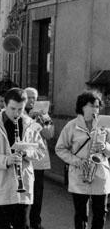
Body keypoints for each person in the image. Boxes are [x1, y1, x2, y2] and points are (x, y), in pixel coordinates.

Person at [0, 88, 46, 229]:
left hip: (23, 186)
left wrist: (27, 153)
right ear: (5, 105)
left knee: (22, 225)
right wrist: (6, 160)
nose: (16, 113)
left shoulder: (30, 124)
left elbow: (40, 151)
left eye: (20, 109)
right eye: (12, 108)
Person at [55, 91, 110, 229]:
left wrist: (105, 147)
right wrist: (77, 161)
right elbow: (60, 148)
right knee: (81, 213)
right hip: (79, 173)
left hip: (100, 174)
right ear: (82, 107)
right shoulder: (71, 126)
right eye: (92, 106)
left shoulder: (105, 125)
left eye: (97, 107)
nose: (95, 110)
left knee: (100, 212)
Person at [24, 87, 54, 229]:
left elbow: (49, 135)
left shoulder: (45, 116)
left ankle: (36, 222)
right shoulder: (19, 113)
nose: (31, 100)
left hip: (39, 160)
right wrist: (29, 118)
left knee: (37, 194)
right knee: (23, 193)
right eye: (29, 97)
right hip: (24, 159)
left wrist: (41, 121)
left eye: (34, 98)